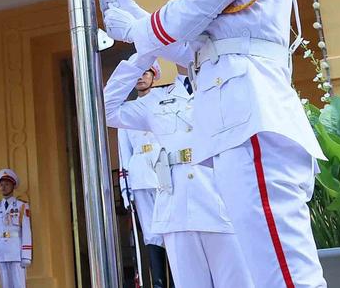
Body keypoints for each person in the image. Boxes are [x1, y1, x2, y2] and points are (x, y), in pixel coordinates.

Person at [102, 0, 326, 288]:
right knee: (269, 269)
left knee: (284, 271)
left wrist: (133, 27)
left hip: (250, 116)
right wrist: (133, 15)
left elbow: (184, 15)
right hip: (238, 119)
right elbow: (197, 49)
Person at [105, 50, 253, 286]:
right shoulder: (155, 100)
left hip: (220, 203)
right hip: (177, 207)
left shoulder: (226, 85)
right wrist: (141, 58)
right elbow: (106, 109)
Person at [115, 60, 168, 288]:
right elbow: (124, 153)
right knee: (150, 234)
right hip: (140, 177)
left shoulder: (165, 103)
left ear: (153, 75)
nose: (140, 77)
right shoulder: (125, 112)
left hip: (164, 174)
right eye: (137, 74)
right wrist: (126, 190)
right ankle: (158, 282)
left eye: (145, 72)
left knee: (172, 229)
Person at [0, 168, 31, 288]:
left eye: (7, 184)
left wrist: (26, 255)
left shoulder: (22, 206)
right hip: (0, 251)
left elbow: (26, 231)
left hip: (16, 251)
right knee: (4, 285)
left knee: (18, 284)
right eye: (1, 184)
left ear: (13, 185)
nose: (3, 187)